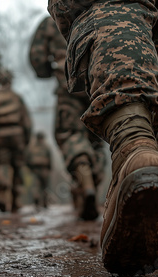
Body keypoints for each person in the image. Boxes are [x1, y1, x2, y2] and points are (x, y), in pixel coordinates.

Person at [47, 0, 158, 274]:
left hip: (76, 81)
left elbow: (35, 60)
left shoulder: (42, 31)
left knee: (115, 7)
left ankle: (133, 146)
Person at [29, 16, 106, 221]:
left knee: (70, 135)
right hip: (99, 83)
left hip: (69, 84)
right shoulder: (102, 8)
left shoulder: (52, 19)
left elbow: (36, 57)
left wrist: (48, 71)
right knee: (96, 141)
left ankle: (85, 183)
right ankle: (91, 190)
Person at [0, 70, 32, 213]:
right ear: (11, 80)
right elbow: (26, 122)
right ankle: (15, 201)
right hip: (16, 135)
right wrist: (26, 139)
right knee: (17, 167)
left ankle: (1, 195)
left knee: (2, 164)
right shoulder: (16, 98)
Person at [25, 132, 52, 208]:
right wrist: (50, 168)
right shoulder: (46, 147)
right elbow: (50, 158)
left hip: (35, 169)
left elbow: (27, 159)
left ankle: (37, 201)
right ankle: (44, 203)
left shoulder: (31, 147)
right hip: (44, 169)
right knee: (44, 187)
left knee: (36, 186)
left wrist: (30, 168)